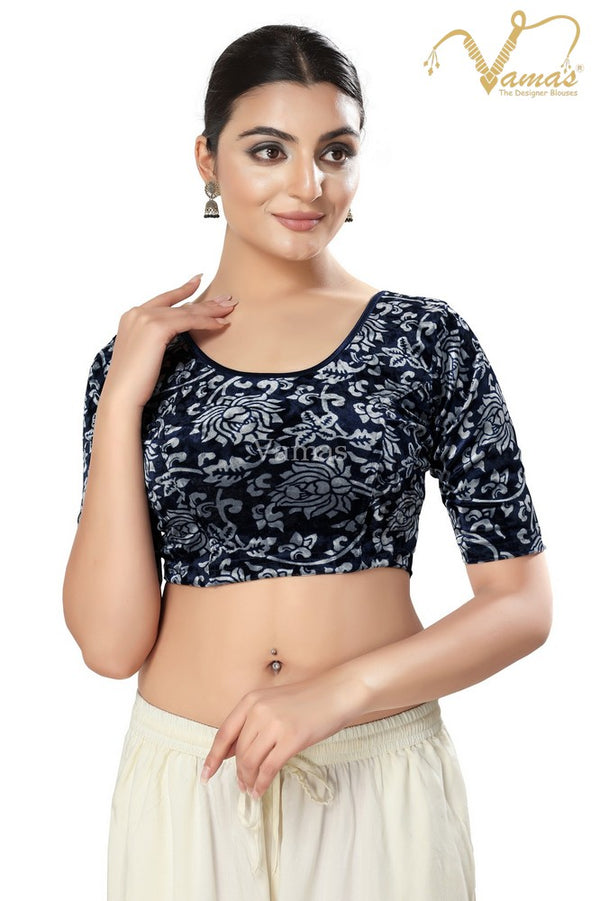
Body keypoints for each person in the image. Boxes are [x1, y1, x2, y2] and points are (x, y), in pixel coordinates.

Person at [62, 22, 552, 901]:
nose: (308, 183)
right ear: (207, 159)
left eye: (335, 151)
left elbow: (521, 603)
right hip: (188, 782)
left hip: (377, 774)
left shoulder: (426, 340)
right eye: (268, 150)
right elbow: (109, 643)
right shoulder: (135, 363)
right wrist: (119, 404)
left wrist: (338, 693)